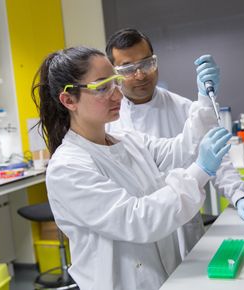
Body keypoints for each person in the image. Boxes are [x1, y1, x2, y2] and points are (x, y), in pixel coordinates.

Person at [32, 46, 232, 290]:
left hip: (162, 275)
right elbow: (138, 219)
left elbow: (180, 151)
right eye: (102, 87)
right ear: (68, 100)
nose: (117, 95)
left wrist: (203, 99)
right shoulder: (68, 168)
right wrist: (201, 169)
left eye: (115, 83)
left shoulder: (127, 140)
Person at [106, 28, 244, 258]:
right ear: (114, 73)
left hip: (183, 223)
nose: (140, 75)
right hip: (138, 235)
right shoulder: (108, 121)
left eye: (146, 64)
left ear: (155, 62)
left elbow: (216, 158)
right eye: (128, 69)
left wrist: (239, 195)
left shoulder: (184, 107)